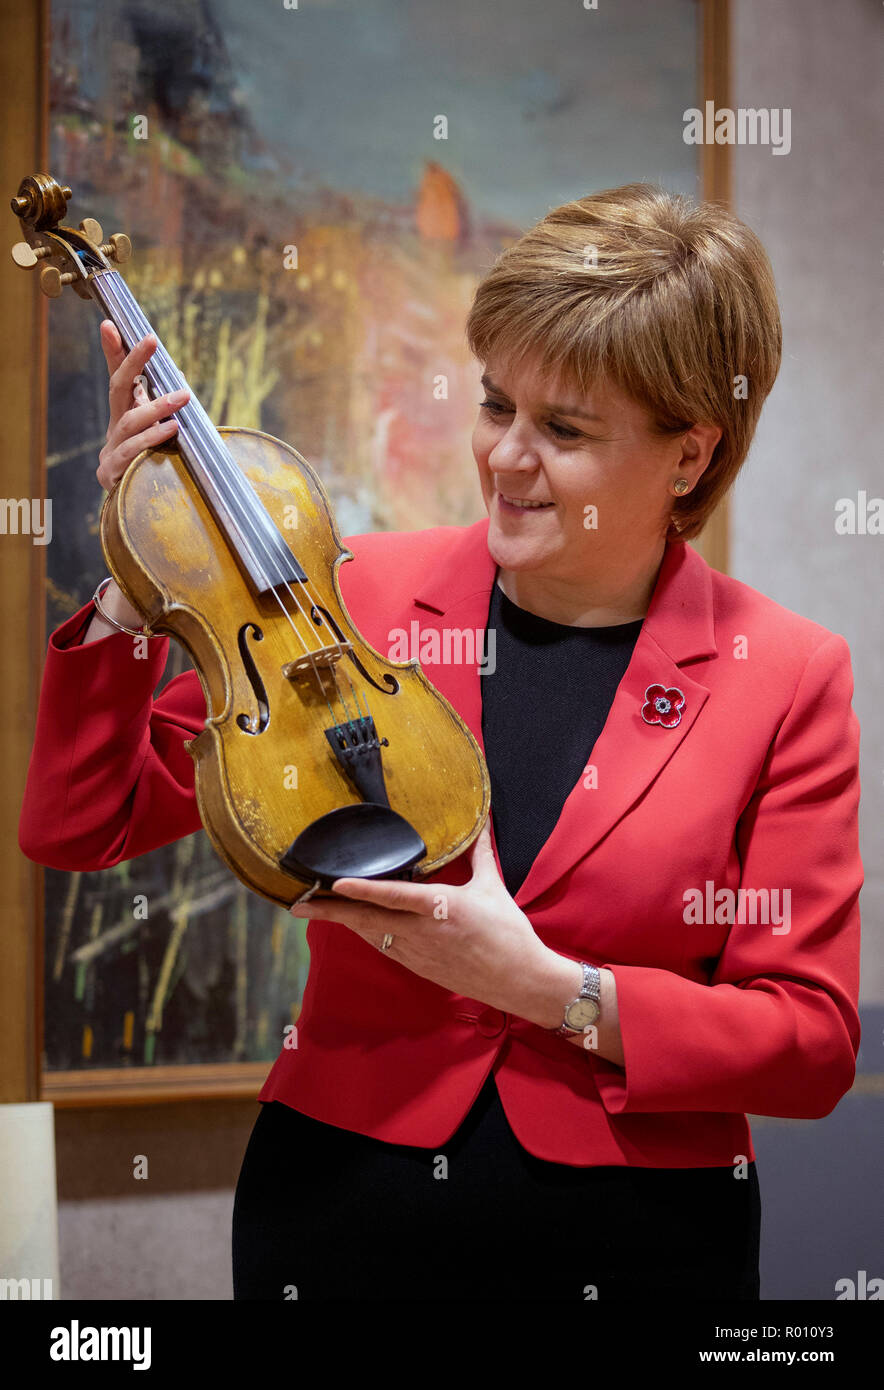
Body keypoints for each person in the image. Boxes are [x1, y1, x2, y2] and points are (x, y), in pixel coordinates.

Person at [19, 183, 862, 1302]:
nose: (505, 458)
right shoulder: (347, 591)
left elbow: (805, 1046)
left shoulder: (788, 675)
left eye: (562, 430)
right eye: (493, 404)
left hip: (643, 1234)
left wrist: (551, 988)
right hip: (339, 1209)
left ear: (687, 458)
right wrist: (138, 575)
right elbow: (84, 825)